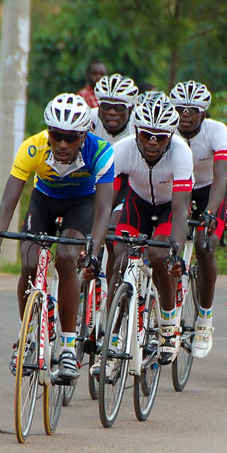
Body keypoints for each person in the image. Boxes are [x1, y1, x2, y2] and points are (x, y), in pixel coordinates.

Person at [0, 93, 113, 384]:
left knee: (67, 258)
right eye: (57, 136)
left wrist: (93, 247)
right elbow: (7, 202)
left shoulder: (100, 151)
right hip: (44, 201)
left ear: (84, 135)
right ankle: (27, 335)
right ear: (48, 133)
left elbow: (104, 210)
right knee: (29, 262)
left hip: (83, 204)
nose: (63, 145)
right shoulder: (32, 148)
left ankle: (67, 346)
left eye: (71, 138)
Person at [107, 95, 192, 367]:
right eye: (146, 135)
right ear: (136, 132)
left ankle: (168, 324)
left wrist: (175, 252)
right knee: (119, 256)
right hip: (137, 202)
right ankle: (112, 337)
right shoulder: (122, 150)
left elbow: (180, 212)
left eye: (160, 137)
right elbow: (104, 202)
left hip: (169, 207)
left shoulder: (181, 153)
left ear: (170, 136)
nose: (152, 141)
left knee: (158, 254)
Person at [169, 80, 227, 358]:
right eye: (180, 108)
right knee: (166, 244)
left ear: (203, 113)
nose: (185, 114)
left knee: (205, 246)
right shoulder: (165, 129)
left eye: (192, 110)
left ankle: (204, 320)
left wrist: (210, 212)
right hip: (177, 188)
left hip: (209, 191)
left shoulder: (216, 132)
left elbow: (220, 178)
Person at [90, 73, 139, 293]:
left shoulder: (139, 126)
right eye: (106, 106)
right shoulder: (88, 121)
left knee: (111, 233)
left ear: (130, 109)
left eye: (119, 107)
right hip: (95, 178)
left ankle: (110, 293)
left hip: (126, 182)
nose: (111, 112)